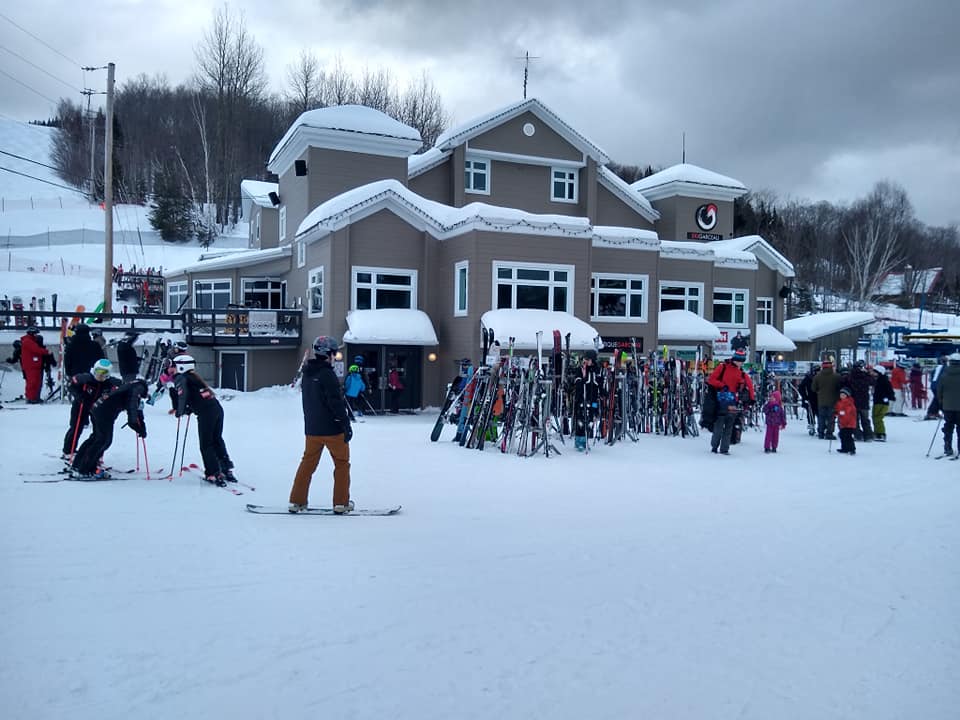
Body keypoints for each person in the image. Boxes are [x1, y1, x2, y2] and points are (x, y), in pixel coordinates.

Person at [289, 336, 353, 513]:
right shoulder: (327, 374)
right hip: (333, 430)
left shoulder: (307, 374)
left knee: (307, 464)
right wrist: (346, 424)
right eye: (335, 353)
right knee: (342, 463)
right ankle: (341, 503)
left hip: (312, 429)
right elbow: (335, 402)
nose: (335, 357)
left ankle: (297, 501)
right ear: (329, 354)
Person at [170, 354, 235, 486]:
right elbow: (198, 396)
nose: (172, 369)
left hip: (207, 414)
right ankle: (226, 469)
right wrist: (190, 409)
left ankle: (213, 473)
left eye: (174, 366)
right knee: (217, 440)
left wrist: (179, 411)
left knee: (206, 444)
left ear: (181, 366)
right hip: (216, 409)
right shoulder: (194, 377)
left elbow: (182, 396)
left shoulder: (181, 378)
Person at [71, 376, 148, 479]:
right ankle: (86, 469)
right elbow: (132, 409)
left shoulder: (130, 385)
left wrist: (141, 426)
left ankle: (78, 464)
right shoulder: (138, 388)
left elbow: (136, 410)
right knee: (103, 441)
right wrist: (138, 427)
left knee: (96, 438)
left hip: (98, 407)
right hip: (104, 412)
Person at [62, 358, 113, 459]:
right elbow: (71, 385)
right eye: (98, 372)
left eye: (104, 373)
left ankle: (94, 452)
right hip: (81, 405)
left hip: (97, 408)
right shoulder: (85, 378)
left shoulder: (109, 383)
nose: (100, 376)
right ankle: (68, 451)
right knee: (76, 428)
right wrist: (80, 395)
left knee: (99, 431)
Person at [573, 349, 601, 451]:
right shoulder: (581, 369)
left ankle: (586, 439)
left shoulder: (596, 370)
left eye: (588, 359)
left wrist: (602, 392)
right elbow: (577, 381)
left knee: (591, 418)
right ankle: (579, 440)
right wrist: (582, 380)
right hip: (582, 397)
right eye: (585, 359)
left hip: (593, 398)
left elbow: (599, 382)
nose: (586, 361)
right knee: (581, 418)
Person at [18, 327, 53, 403]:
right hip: (31, 365)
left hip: (34, 365)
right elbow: (36, 349)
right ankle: (30, 398)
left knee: (35, 382)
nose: (36, 335)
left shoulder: (30, 341)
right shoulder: (28, 341)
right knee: (32, 382)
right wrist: (47, 352)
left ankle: (34, 397)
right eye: (35, 333)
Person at [935, 353, 960, 457]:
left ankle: (947, 446)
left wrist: (941, 402)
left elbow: (939, 391)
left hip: (948, 406)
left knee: (948, 427)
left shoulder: (944, 375)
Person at [845, 360, 874, 441]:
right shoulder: (865, 376)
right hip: (864, 401)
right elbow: (873, 382)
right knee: (865, 420)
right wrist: (868, 373)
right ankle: (868, 435)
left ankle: (857, 435)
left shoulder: (850, 376)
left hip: (853, 401)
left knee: (855, 420)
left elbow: (844, 383)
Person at [811, 359, 841, 439]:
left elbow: (813, 388)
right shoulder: (836, 376)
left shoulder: (817, 376)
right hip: (833, 401)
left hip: (821, 400)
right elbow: (840, 387)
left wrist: (819, 391)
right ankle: (829, 433)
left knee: (821, 417)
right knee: (831, 418)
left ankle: (821, 433)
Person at [711, 386, 739, 454]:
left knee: (718, 430)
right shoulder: (732, 392)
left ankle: (714, 447)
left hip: (720, 412)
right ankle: (724, 449)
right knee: (728, 431)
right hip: (731, 412)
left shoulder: (718, 391)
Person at [871, 365, 895, 442]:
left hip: (881, 402)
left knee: (878, 417)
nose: (873, 373)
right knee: (876, 417)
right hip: (878, 401)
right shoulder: (880, 380)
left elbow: (890, 391)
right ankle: (877, 432)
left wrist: (886, 398)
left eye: (874, 372)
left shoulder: (883, 381)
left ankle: (880, 433)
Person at [834, 387, 858, 455]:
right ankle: (844, 448)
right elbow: (837, 410)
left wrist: (840, 413)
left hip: (849, 423)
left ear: (847, 395)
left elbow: (847, 412)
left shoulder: (849, 402)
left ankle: (852, 449)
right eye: (841, 394)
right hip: (843, 423)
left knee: (848, 436)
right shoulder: (839, 402)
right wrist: (835, 413)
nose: (842, 396)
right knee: (842, 435)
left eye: (843, 395)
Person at [926, 355, 947, 419]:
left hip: (934, 385)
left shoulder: (936, 367)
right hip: (939, 385)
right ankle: (931, 412)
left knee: (937, 399)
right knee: (938, 399)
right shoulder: (945, 368)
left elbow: (931, 376)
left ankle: (934, 412)